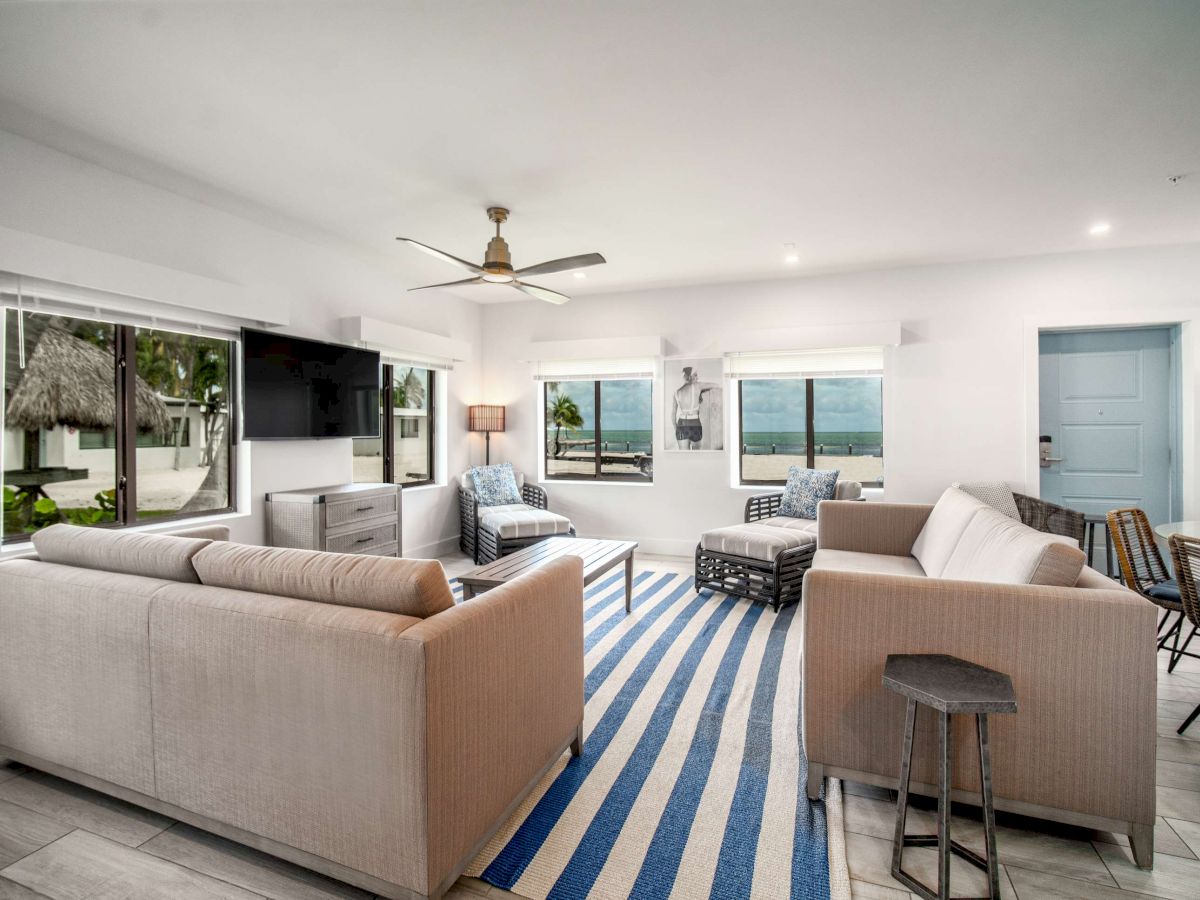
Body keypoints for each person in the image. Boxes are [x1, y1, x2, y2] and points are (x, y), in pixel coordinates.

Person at [672, 366, 720, 450]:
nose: (698, 378)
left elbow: (673, 415)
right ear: (691, 376)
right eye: (696, 375)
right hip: (694, 423)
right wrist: (701, 391)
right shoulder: (697, 386)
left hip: (681, 424)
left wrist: (676, 428)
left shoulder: (677, 392)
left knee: (683, 457)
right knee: (696, 456)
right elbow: (716, 385)